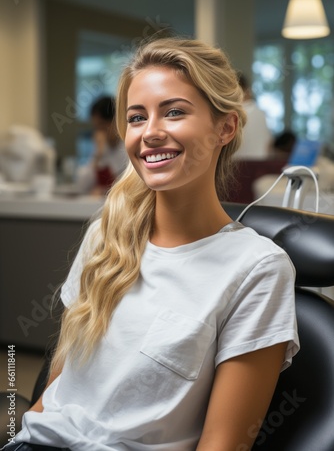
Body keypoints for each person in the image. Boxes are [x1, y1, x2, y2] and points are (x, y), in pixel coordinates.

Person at [4, 38, 299, 451]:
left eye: (174, 112)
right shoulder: (107, 234)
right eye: (137, 117)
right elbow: (59, 385)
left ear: (225, 127)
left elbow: (224, 444)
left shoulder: (258, 269)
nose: (151, 133)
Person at [76, 96, 128, 195]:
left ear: (116, 122)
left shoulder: (128, 147)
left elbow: (126, 185)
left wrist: (104, 190)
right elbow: (81, 186)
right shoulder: (102, 149)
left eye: (102, 126)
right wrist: (98, 154)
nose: (99, 133)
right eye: (96, 128)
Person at [234, 73, 272, 160]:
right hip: (260, 167)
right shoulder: (261, 113)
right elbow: (269, 145)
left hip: (237, 167)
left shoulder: (233, 115)